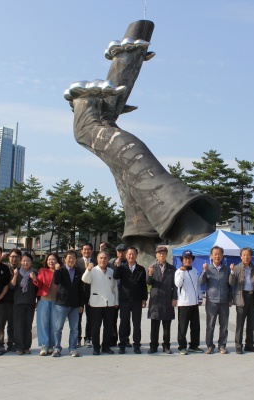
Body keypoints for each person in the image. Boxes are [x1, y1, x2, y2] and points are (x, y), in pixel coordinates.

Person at [65, 20, 221, 260]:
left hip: (190, 238)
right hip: (159, 249)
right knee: (101, 123)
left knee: (90, 129)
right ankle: (128, 57)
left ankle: (184, 228)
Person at [82, 252, 119, 355]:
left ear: (108, 260)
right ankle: (96, 347)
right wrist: (88, 270)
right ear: (97, 260)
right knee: (95, 327)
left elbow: (115, 288)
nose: (103, 260)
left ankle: (106, 346)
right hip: (96, 303)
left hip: (109, 303)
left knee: (108, 326)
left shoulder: (111, 271)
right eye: (101, 258)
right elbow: (85, 279)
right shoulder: (93, 270)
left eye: (105, 258)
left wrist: (116, 301)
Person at [113, 246, 148, 354]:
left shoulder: (141, 269)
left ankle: (137, 345)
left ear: (136, 255)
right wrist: (117, 266)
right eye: (129, 254)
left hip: (137, 300)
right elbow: (115, 277)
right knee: (124, 323)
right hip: (124, 300)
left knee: (136, 324)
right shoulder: (122, 268)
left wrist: (144, 298)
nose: (131, 256)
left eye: (133, 254)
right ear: (126, 255)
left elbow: (143, 285)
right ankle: (122, 345)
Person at [199, 246, 232, 354]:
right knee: (210, 325)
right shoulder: (207, 268)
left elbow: (230, 285)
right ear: (211, 256)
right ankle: (210, 346)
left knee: (224, 326)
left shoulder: (226, 269)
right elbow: (201, 282)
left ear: (222, 256)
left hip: (224, 301)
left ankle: (222, 345)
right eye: (215, 254)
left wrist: (230, 299)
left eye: (219, 254)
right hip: (211, 301)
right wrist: (204, 271)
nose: (217, 256)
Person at [229, 247, 254, 354]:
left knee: (251, 323)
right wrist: (232, 272)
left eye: (248, 255)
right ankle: (238, 346)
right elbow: (231, 283)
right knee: (240, 323)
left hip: (252, 297)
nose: (246, 257)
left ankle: (249, 345)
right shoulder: (237, 268)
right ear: (241, 257)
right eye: (244, 255)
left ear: (251, 257)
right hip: (241, 297)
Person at [52, 250, 84, 357]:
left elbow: (81, 289)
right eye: (69, 257)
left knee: (74, 328)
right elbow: (56, 281)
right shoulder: (61, 270)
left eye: (73, 257)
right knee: (58, 328)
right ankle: (57, 348)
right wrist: (56, 270)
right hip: (62, 303)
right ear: (65, 259)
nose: (71, 259)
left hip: (75, 304)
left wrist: (81, 304)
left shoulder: (78, 271)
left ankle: (72, 348)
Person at [146, 246, 177, 354]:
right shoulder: (152, 267)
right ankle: (153, 346)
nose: (161, 255)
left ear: (166, 255)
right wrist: (150, 274)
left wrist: (174, 298)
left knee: (167, 325)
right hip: (155, 300)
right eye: (159, 253)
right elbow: (148, 283)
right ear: (156, 255)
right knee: (154, 325)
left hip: (167, 300)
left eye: (163, 253)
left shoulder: (172, 269)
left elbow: (175, 285)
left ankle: (166, 345)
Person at [175, 250, 203, 355]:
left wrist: (200, 298)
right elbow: (178, 284)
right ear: (182, 260)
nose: (188, 260)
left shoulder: (195, 270)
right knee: (183, 327)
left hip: (194, 303)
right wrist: (182, 272)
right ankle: (182, 347)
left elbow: (198, 285)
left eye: (190, 258)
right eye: (186, 258)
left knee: (195, 326)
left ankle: (194, 345)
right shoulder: (178, 271)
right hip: (184, 304)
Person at [9, 252, 38, 355]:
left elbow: (38, 287)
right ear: (21, 262)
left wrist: (34, 279)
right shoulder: (16, 272)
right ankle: (19, 347)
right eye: (24, 261)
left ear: (31, 262)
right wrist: (15, 276)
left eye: (28, 261)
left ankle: (26, 347)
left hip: (30, 303)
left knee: (28, 326)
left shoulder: (34, 273)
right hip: (18, 303)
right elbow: (11, 286)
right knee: (18, 326)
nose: (26, 263)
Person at [0, 248, 21, 353]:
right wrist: (0, 258)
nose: (14, 259)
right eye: (12, 257)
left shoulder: (22, 269)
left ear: (20, 258)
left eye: (16, 257)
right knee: (1, 323)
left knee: (12, 324)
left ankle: (11, 343)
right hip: (3, 300)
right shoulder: (4, 267)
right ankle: (0, 344)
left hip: (15, 301)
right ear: (8, 258)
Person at [35, 253, 59, 356]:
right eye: (49, 259)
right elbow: (39, 283)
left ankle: (52, 345)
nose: (51, 261)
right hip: (44, 300)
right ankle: (44, 345)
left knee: (54, 324)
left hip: (56, 301)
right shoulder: (43, 271)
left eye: (53, 259)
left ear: (57, 261)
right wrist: (34, 279)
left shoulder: (60, 271)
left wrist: (57, 271)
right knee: (43, 323)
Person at [75, 243, 94, 348]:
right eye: (85, 249)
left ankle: (88, 338)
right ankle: (78, 338)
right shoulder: (76, 262)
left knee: (90, 317)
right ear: (81, 251)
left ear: (91, 251)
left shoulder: (96, 261)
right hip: (79, 293)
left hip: (92, 293)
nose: (87, 251)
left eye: (89, 249)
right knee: (78, 318)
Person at [109, 243, 128, 346]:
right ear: (116, 252)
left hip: (125, 294)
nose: (121, 254)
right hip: (114, 293)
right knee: (112, 318)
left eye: (123, 251)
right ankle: (113, 339)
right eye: (119, 251)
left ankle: (125, 339)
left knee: (125, 318)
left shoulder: (129, 263)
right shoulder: (111, 263)